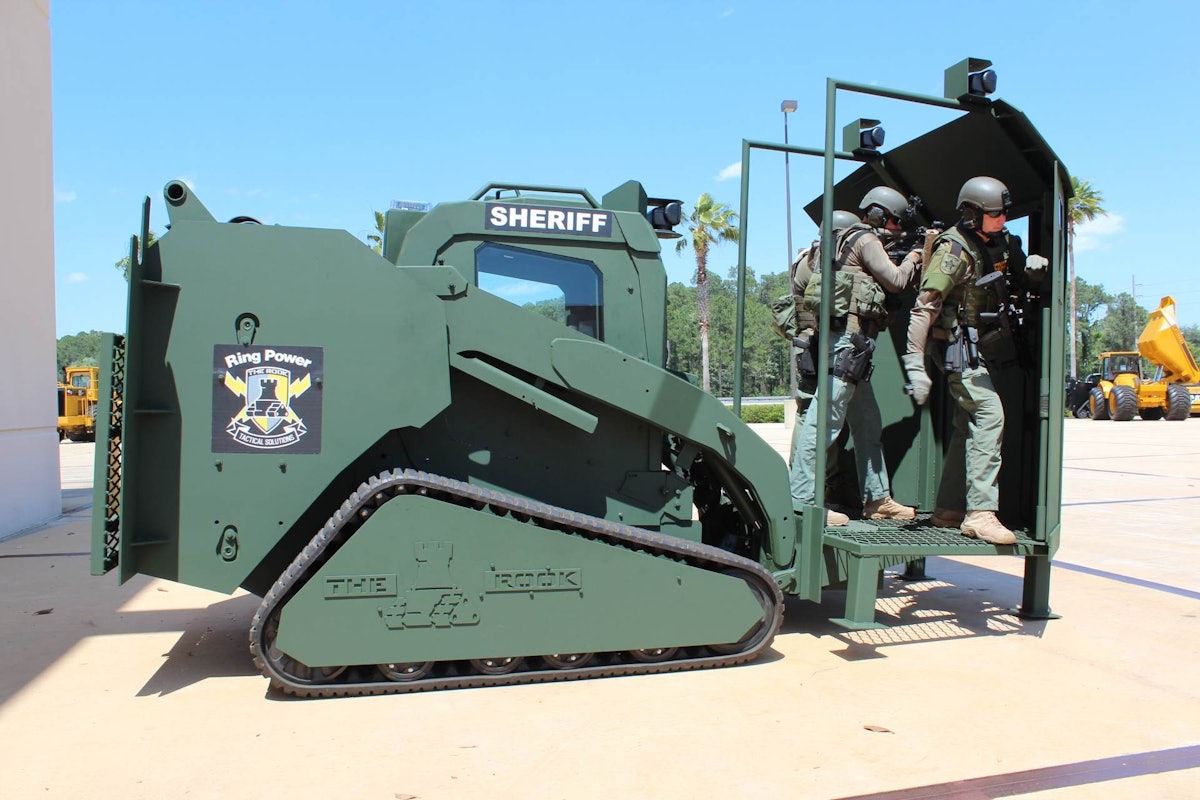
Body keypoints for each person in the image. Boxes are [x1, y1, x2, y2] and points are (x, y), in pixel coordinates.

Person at [900, 176, 1048, 545]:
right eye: (995, 214)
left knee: (966, 424)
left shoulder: (999, 243)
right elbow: (924, 308)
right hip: (957, 348)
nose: (1002, 220)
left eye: (1004, 213)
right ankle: (980, 513)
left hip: (982, 347)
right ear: (972, 214)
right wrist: (915, 364)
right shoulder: (955, 251)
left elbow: (1018, 283)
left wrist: (1033, 274)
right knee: (989, 413)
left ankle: (949, 510)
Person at [791, 187, 923, 526]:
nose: (896, 228)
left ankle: (876, 499)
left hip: (849, 345)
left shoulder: (836, 243)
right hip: (848, 345)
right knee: (824, 421)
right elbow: (896, 281)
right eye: (894, 221)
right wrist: (914, 257)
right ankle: (801, 501)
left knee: (867, 422)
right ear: (879, 214)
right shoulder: (864, 239)